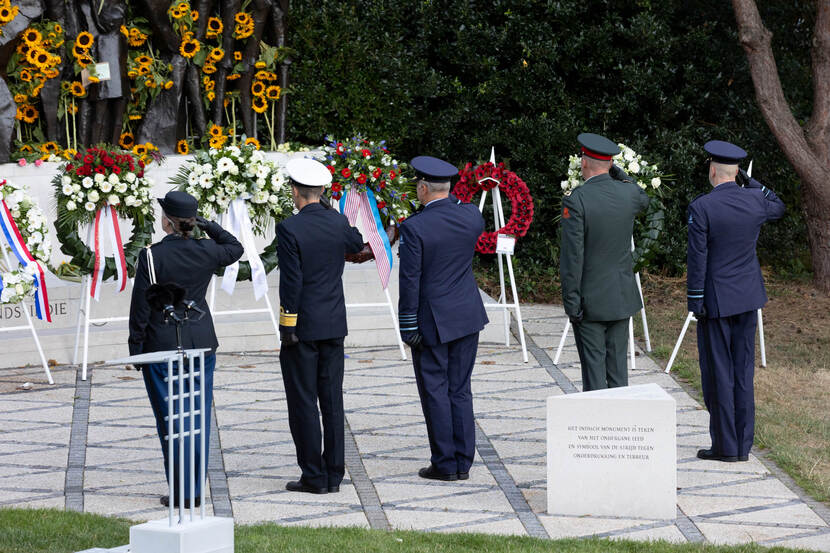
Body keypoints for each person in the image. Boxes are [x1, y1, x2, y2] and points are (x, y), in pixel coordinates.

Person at [129, 190, 243, 507]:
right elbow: (235, 248)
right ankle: (193, 490)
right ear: (191, 222)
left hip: (162, 343)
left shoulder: (152, 256)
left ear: (166, 221)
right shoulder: (207, 250)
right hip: (200, 341)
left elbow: (141, 305)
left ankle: (182, 492)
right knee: (197, 417)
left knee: (171, 419)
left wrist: (136, 348)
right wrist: (208, 226)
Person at [688, 140, 785, 462]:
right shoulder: (755, 202)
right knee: (743, 372)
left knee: (718, 374)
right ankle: (742, 446)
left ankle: (725, 448)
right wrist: (750, 181)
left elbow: (698, 258)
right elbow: (778, 204)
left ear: (712, 170)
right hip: (748, 299)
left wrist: (695, 301)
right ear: (736, 172)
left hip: (716, 301)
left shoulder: (702, 207)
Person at [398, 155, 488, 481]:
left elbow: (410, 281)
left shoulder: (415, 227)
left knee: (435, 389)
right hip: (467, 314)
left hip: (432, 319)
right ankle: (463, 461)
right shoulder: (471, 216)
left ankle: (445, 463)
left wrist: (407, 324)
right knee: (460, 389)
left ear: (422, 188)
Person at [277, 158, 364, 494]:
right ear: (323, 192)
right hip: (334, 323)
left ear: (296, 191)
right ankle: (334, 473)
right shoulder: (337, 220)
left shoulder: (290, 228)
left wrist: (287, 325)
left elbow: (292, 282)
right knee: (332, 400)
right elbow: (356, 243)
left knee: (303, 401)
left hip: (303, 326)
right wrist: (333, 213)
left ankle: (313, 475)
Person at [560, 133, 650, 391]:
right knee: (619, 372)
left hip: (590, 301)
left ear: (584, 162)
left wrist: (572, 302)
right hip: (621, 296)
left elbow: (573, 258)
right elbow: (643, 199)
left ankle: (597, 426)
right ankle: (620, 426)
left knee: (594, 374)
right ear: (611, 164)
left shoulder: (577, 200)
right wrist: (624, 177)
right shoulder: (628, 194)